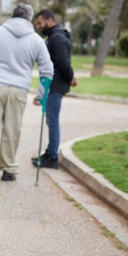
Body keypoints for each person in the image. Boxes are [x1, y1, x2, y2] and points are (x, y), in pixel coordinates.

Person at [0, 3, 54, 188]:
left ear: (12, 15)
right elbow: (47, 70)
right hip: (19, 89)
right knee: (12, 130)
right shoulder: (36, 40)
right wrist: (42, 94)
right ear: (29, 18)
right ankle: (8, 169)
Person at [32, 9, 78, 170]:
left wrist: (70, 77)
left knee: (52, 120)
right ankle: (49, 152)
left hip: (56, 85)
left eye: (40, 23)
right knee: (50, 120)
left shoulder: (57, 38)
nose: (38, 27)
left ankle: (52, 157)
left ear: (50, 21)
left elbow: (63, 62)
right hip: (54, 84)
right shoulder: (54, 36)